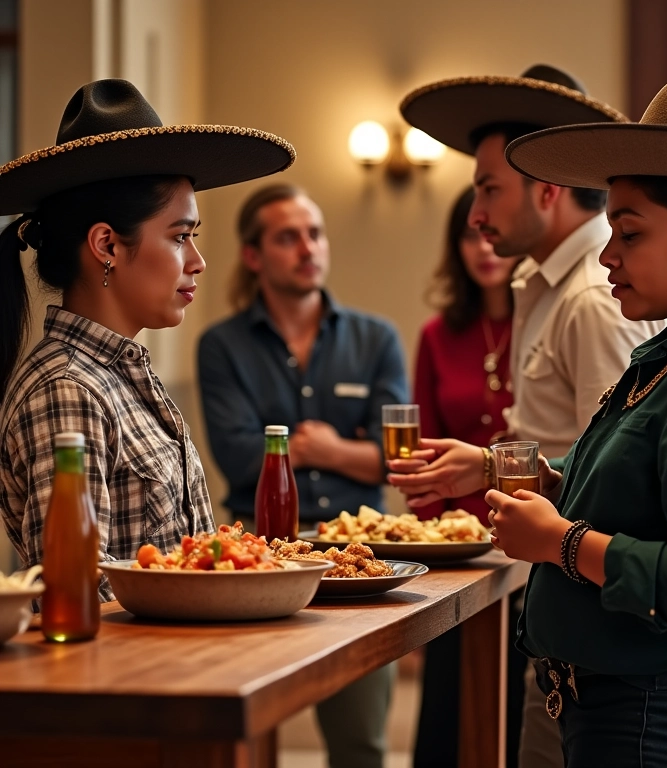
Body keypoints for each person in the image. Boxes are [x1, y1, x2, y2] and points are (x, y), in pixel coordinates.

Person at [401, 73, 667, 767]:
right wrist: (545, 480)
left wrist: (563, 541)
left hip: (662, 716)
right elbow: (638, 487)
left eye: (628, 234)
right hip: (618, 705)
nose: (606, 256)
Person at [0, 78, 294, 600]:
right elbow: (77, 596)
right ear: (107, 244)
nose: (198, 262)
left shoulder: (119, 373)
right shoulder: (68, 389)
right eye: (181, 237)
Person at [197, 183, 408, 768]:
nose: (307, 247)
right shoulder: (221, 347)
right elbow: (239, 457)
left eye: (314, 233)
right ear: (253, 255)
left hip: (355, 558)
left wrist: (325, 447)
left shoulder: (376, 338)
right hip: (255, 556)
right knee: (248, 723)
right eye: (287, 237)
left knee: (361, 740)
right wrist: (348, 449)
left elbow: (396, 460)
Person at [412, 185, 526, 768]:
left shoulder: (541, 321)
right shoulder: (437, 336)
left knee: (514, 713)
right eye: (466, 234)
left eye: (489, 232)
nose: (482, 247)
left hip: (531, 549)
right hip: (455, 557)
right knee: (448, 712)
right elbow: (419, 456)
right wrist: (443, 538)